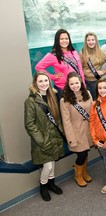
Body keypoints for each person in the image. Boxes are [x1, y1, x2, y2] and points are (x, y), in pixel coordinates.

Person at [24, 72, 64, 201]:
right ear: (35, 83)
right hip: (42, 140)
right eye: (40, 81)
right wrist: (41, 141)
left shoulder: (52, 96)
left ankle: (51, 184)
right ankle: (43, 186)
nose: (44, 84)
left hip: (54, 137)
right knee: (48, 166)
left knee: (52, 161)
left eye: (46, 81)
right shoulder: (30, 101)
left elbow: (57, 119)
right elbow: (29, 125)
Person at [60, 72, 93, 187]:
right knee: (81, 155)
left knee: (85, 153)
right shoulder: (64, 100)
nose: (75, 85)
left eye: (77, 83)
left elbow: (92, 112)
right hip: (76, 133)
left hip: (88, 131)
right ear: (68, 85)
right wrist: (71, 139)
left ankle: (84, 172)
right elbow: (66, 122)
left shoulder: (87, 94)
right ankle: (78, 175)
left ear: (81, 83)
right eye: (72, 84)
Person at [35, 29, 85, 102]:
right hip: (63, 89)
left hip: (76, 87)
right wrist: (53, 77)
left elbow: (80, 70)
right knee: (65, 111)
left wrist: (83, 85)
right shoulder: (53, 55)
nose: (64, 41)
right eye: (61, 39)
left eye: (66, 38)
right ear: (57, 40)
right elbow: (38, 67)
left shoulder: (73, 52)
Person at [80, 32, 106, 100]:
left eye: (93, 40)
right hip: (85, 82)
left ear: (95, 41)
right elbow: (79, 68)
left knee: (98, 101)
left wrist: (103, 71)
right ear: (86, 41)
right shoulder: (82, 53)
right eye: (88, 40)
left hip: (97, 82)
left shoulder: (100, 52)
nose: (91, 42)